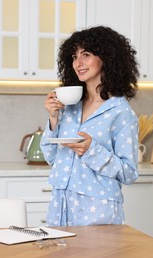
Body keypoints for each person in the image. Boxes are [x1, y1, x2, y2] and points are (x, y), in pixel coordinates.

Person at [40, 26, 139, 226]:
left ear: (106, 57)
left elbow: (129, 173)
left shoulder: (121, 112)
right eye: (74, 56)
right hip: (61, 204)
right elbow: (51, 157)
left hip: (98, 207)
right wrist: (53, 118)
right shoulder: (69, 106)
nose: (78, 63)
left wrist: (91, 150)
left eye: (86, 54)